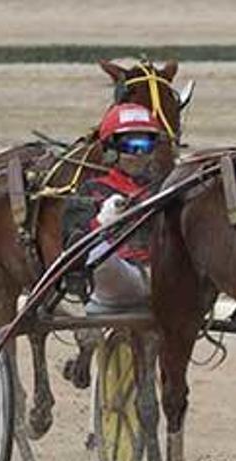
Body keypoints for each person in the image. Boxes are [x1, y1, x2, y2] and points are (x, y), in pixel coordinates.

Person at [80, 102, 166, 314]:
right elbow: (74, 242)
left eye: (145, 147)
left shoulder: (164, 188)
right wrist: (101, 223)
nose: (138, 154)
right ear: (111, 150)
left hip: (164, 276)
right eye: (131, 146)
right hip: (119, 278)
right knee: (96, 256)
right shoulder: (91, 190)